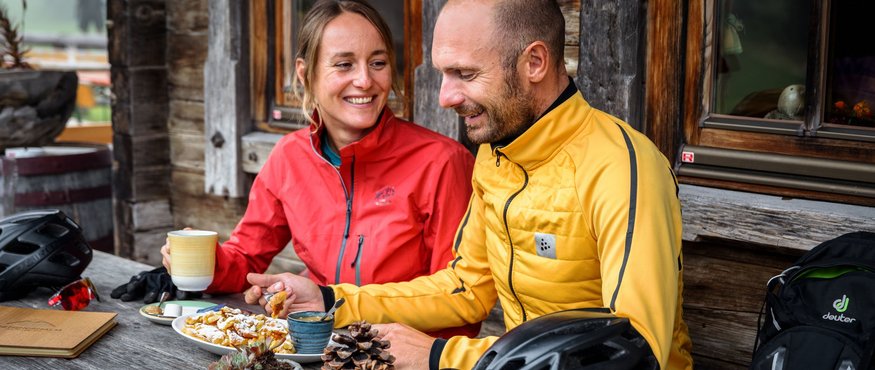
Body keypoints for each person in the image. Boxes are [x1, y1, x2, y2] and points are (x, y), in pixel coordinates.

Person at [245, 0, 694, 369]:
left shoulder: (620, 167)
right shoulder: (495, 158)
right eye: (444, 74)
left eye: (465, 74)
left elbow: (634, 349)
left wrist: (440, 356)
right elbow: (464, 290)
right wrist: (328, 298)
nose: (445, 97)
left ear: (534, 62)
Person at [160, 0, 478, 339]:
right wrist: (203, 263)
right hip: (314, 348)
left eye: (378, 62)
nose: (364, 80)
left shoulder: (442, 162)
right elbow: (246, 260)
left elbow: (457, 300)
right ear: (305, 73)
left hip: (405, 356)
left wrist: (330, 301)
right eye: (344, 64)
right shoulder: (289, 157)